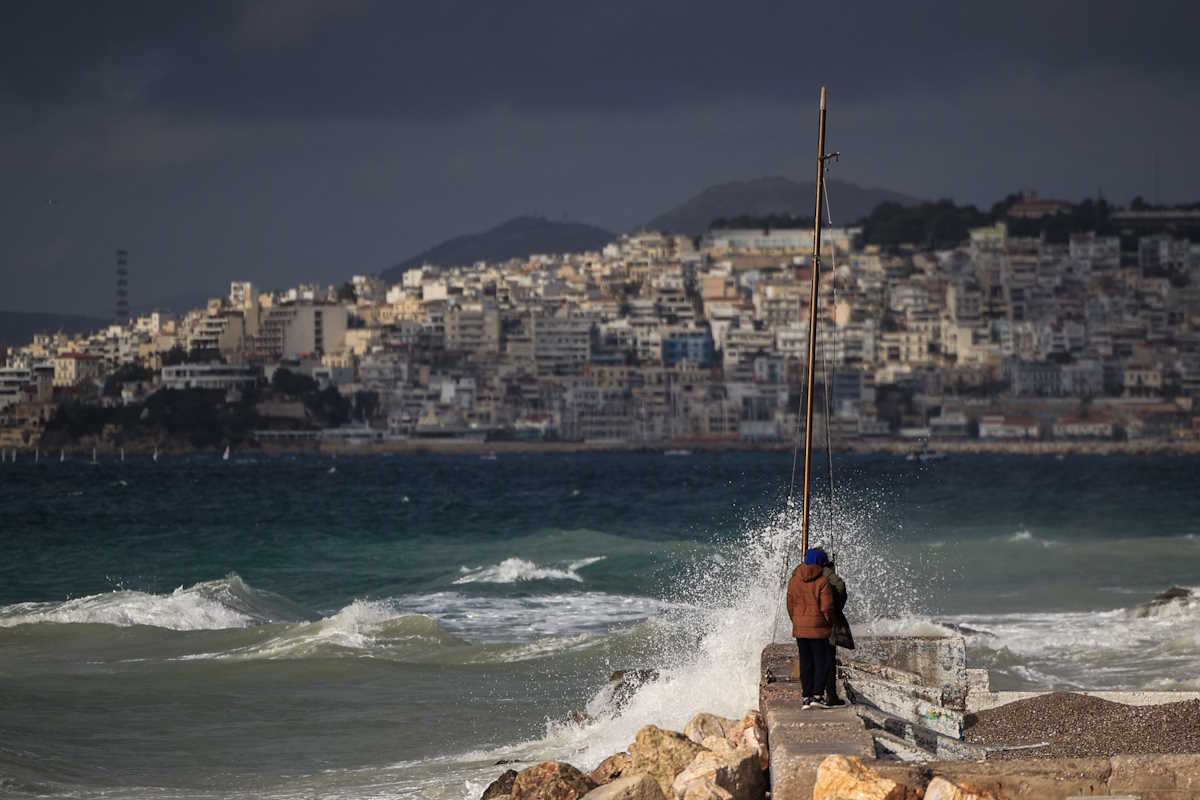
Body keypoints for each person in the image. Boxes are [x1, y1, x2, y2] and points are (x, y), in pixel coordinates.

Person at [785, 547, 835, 709]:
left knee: (806, 662)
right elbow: (827, 608)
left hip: (800, 629)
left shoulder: (794, 580)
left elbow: (790, 605)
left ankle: (806, 697)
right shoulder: (822, 582)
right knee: (821, 662)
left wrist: (797, 622)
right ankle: (818, 696)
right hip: (819, 630)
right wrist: (828, 624)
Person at [818, 550, 855, 706]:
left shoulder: (800, 575)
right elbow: (840, 586)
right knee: (828, 660)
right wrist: (837, 608)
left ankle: (813, 696)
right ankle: (831, 695)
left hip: (807, 626)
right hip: (825, 624)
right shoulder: (827, 573)